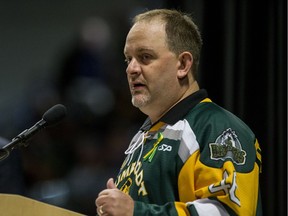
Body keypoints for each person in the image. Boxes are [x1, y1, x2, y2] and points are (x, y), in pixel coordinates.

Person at [95, 9, 262, 216]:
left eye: (145, 57)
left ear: (183, 64)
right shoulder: (141, 137)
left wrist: (135, 212)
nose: (132, 69)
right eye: (128, 59)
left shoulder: (217, 127)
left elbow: (228, 212)